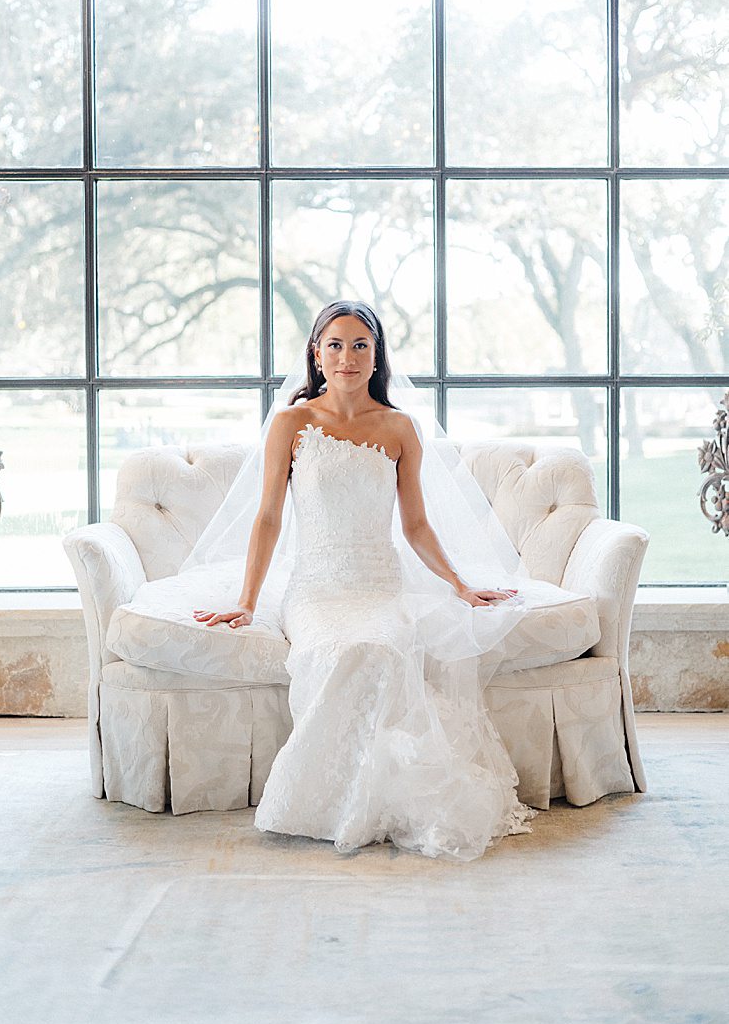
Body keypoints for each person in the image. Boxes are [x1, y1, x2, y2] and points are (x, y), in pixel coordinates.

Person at [188, 300, 558, 861]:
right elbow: (268, 517)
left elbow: (415, 524)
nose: (347, 357)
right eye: (335, 345)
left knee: (384, 648)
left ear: (376, 355)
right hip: (316, 588)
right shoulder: (292, 423)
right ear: (316, 354)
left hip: (378, 586)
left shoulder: (399, 428)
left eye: (360, 345)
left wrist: (459, 584)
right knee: (339, 651)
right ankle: (327, 801)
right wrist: (247, 600)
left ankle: (376, 800)